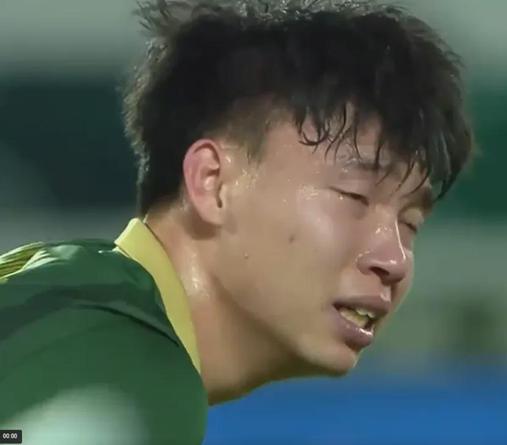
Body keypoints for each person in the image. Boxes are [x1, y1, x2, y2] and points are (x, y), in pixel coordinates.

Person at [0, 0, 473, 443]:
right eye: (354, 196)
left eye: (410, 223)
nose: (394, 260)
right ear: (213, 182)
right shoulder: (124, 379)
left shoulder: (69, 300)